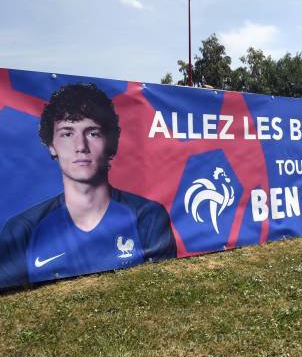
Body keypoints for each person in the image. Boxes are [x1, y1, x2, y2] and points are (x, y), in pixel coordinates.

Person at [0, 83, 176, 289]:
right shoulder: (22, 230)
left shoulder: (148, 217)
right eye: (67, 133)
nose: (81, 146)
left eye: (93, 133)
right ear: (51, 145)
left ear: (110, 142)